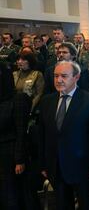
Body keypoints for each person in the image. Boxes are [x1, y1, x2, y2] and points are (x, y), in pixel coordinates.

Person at [38, 61, 89, 210]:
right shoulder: (46, 101)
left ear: (76, 77)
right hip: (55, 165)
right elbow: (42, 135)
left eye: (64, 76)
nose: (59, 80)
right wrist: (43, 163)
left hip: (82, 165)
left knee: (86, 204)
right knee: (62, 204)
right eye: (56, 76)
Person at [0, 62, 32, 209]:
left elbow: (21, 131)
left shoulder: (18, 99)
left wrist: (20, 160)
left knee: (11, 194)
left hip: (10, 155)